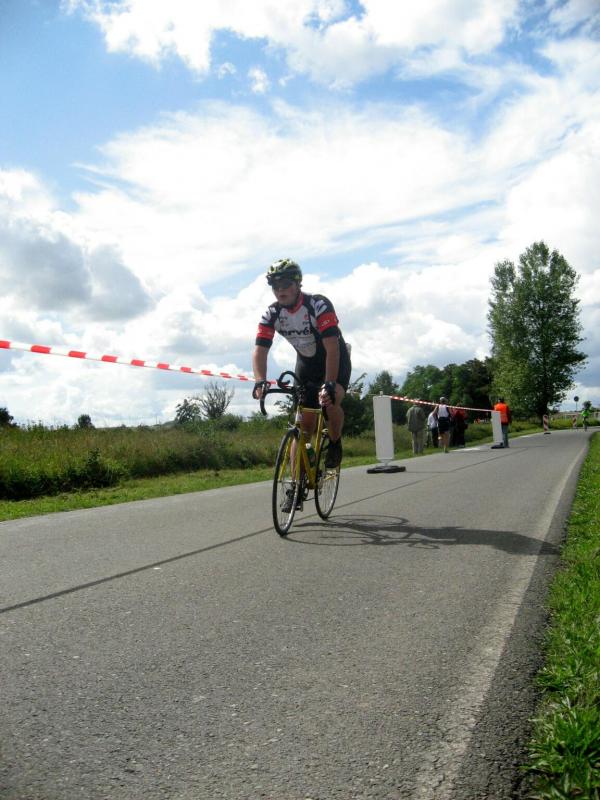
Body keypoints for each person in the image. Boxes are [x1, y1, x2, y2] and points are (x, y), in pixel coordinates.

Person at [252, 259, 351, 481]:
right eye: (275, 286)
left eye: (286, 284)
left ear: (298, 284)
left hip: (334, 360)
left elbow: (332, 347)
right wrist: (260, 380)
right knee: (303, 426)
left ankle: (335, 442)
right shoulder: (272, 314)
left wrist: (330, 383)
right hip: (306, 365)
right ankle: (297, 483)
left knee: (331, 401)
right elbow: (260, 350)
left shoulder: (318, 305)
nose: (280, 290)